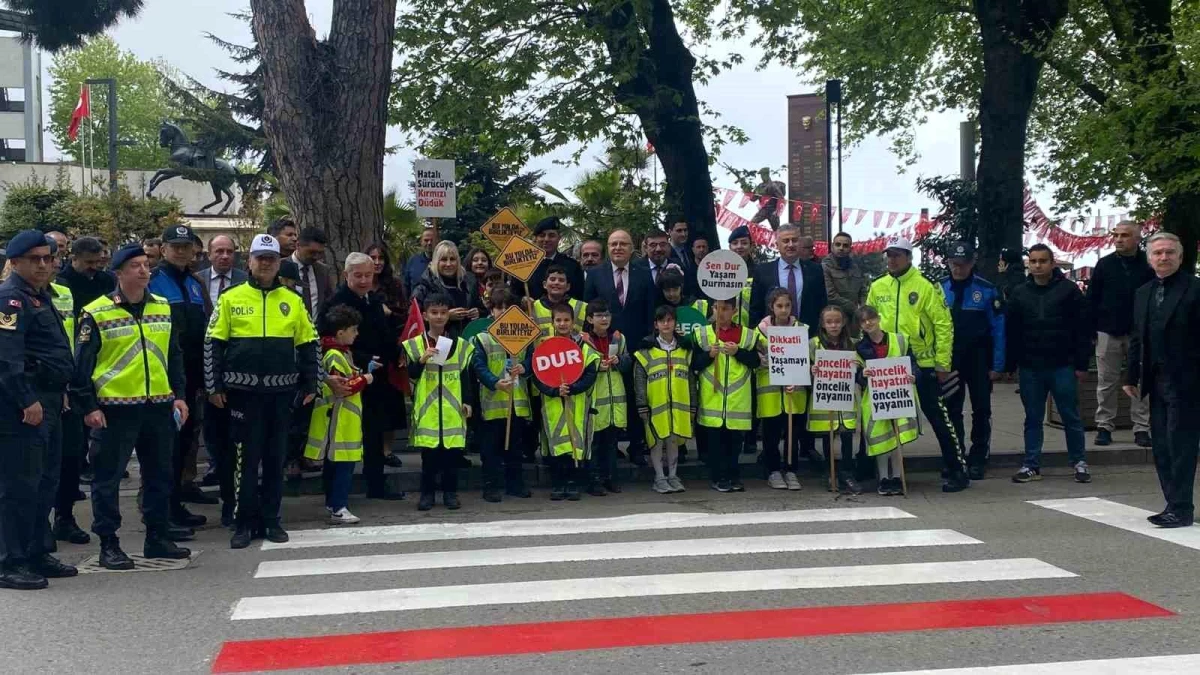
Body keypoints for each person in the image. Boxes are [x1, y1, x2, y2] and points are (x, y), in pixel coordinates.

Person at [72, 243, 192, 570]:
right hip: (114, 408)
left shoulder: (162, 307)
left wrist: (178, 394)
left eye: (146, 264)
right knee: (107, 479)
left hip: (157, 405)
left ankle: (157, 537)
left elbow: (174, 355)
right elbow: (82, 365)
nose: (144, 270)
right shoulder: (96, 311)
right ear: (119, 272)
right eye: (136, 266)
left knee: (159, 475)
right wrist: (88, 406)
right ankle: (109, 544)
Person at [205, 233, 319, 549]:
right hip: (241, 395)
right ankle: (243, 522)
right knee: (243, 460)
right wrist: (214, 386)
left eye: (271, 258)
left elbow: (310, 345)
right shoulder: (230, 298)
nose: (266, 263)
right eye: (260, 258)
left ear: (278, 262)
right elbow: (212, 344)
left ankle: (271, 520)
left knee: (274, 459)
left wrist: (312, 383)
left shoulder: (293, 301)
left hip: (281, 395)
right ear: (250, 261)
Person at [0, 231, 76, 589]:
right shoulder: (10, 300)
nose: (44, 264)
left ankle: (35, 551)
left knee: (46, 480)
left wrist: (56, 392)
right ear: (15, 262)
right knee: (19, 484)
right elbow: (7, 360)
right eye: (34, 259)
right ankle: (9, 560)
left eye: (47, 257)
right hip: (21, 405)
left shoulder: (40, 297)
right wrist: (26, 399)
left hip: (47, 398)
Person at [867, 237, 968, 492]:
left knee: (938, 417)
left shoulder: (926, 287)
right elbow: (866, 322)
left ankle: (957, 470)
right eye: (889, 255)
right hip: (888, 363)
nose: (892, 260)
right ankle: (875, 470)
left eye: (897, 255)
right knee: (881, 416)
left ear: (909, 257)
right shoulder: (877, 287)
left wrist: (942, 364)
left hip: (922, 363)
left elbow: (944, 326)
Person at [1125, 232, 1200, 528]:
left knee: (1181, 443)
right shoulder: (1142, 292)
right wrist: (1131, 374)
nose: (1164, 257)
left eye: (1170, 252)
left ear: (1180, 257)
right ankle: (1172, 501)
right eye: (1158, 253)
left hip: (1188, 380)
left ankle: (1181, 507)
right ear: (1150, 258)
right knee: (1162, 445)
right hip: (1154, 379)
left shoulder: (1195, 290)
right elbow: (1137, 338)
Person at [319, 253, 406, 501]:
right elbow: (328, 340)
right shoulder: (335, 302)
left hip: (377, 377)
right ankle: (333, 490)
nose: (364, 280)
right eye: (358, 275)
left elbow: (385, 332)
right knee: (339, 436)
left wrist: (397, 352)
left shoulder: (375, 300)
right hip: (347, 377)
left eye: (368, 275)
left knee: (375, 432)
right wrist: (362, 358)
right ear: (346, 275)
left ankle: (376, 483)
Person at [1006, 244, 1091, 485]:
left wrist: (1081, 364)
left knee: (1070, 415)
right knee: (1032, 417)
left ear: (1052, 263)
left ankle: (1079, 462)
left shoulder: (1069, 291)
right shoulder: (1019, 293)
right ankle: (1031, 464)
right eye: (1033, 261)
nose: (1038, 265)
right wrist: (1010, 364)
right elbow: (1012, 331)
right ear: (1028, 264)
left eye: (1043, 261)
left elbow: (1082, 330)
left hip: (1062, 364)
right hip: (1030, 366)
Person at [148, 225, 213, 526]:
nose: (182, 251)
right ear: (163, 249)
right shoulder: (152, 281)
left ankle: (174, 504)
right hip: (162, 376)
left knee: (184, 443)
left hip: (191, 375)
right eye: (175, 246)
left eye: (186, 246)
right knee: (163, 449)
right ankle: (160, 513)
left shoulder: (196, 282)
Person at [584, 229, 655, 466]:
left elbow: (649, 311)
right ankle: (610, 449)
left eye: (623, 243)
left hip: (635, 348)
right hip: (602, 349)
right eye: (613, 244)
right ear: (608, 247)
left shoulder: (644, 274)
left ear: (632, 247)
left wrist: (646, 342)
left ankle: (637, 447)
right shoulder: (595, 274)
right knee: (608, 399)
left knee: (635, 398)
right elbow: (588, 311)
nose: (618, 248)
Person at [403, 293, 475, 511]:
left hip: (453, 410)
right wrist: (422, 359)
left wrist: (468, 401)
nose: (439, 317)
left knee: (451, 459)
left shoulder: (460, 344)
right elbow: (411, 376)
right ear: (425, 315)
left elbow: (466, 375)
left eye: (443, 313)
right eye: (434, 313)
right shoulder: (415, 345)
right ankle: (427, 494)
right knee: (429, 460)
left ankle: (450, 494)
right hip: (429, 411)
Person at [940, 242, 1005, 480]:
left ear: (972, 263)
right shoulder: (939, 289)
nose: (958, 269)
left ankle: (978, 459)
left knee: (981, 409)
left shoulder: (986, 290)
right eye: (954, 264)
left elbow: (999, 329)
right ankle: (955, 459)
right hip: (950, 360)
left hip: (979, 359)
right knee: (952, 410)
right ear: (948, 262)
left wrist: (998, 365)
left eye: (963, 264)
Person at [1089, 221, 1154, 448]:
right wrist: (1092, 331)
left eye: (1124, 235)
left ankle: (1141, 428)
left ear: (1137, 238)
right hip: (1108, 330)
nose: (1118, 239)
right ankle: (1104, 426)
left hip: (1140, 332)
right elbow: (1092, 298)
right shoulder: (1104, 264)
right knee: (1106, 381)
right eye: (1115, 235)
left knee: (1141, 380)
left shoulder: (1148, 265)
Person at [305, 305, 372, 525]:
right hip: (339, 421)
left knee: (336, 466)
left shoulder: (339, 353)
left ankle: (333, 504)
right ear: (340, 332)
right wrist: (366, 378)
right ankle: (338, 507)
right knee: (342, 468)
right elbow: (344, 387)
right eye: (353, 330)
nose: (357, 334)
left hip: (342, 420)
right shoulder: (334, 355)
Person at [527, 303, 600, 501]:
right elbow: (537, 376)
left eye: (566, 320)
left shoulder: (584, 347)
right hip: (552, 407)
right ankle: (558, 484)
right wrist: (553, 390)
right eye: (558, 320)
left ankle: (573, 484)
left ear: (573, 322)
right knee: (556, 447)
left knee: (576, 446)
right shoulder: (544, 347)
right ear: (552, 322)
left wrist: (573, 388)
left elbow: (590, 373)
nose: (562, 324)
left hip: (577, 406)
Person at [46, 237, 91, 546]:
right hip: (39, 391)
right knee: (39, 463)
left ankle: (64, 517)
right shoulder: (11, 297)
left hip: (68, 388)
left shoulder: (64, 293)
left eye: (53, 258)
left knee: (70, 457)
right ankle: (38, 526)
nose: (52, 263)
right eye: (46, 258)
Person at [470, 288, 532, 502]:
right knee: (490, 449)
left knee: (515, 447)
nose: (504, 312)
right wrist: (495, 382)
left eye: (508, 308)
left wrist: (524, 368)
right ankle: (491, 486)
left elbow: (532, 360)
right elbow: (478, 366)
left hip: (516, 402)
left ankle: (515, 484)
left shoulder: (524, 335)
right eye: (499, 308)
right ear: (491, 310)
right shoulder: (482, 338)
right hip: (492, 402)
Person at [692, 296, 759, 493]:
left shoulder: (747, 335)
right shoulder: (701, 334)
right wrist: (708, 356)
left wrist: (739, 352)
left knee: (734, 442)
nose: (720, 313)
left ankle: (733, 475)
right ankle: (718, 477)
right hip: (712, 398)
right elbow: (694, 364)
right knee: (715, 442)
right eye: (717, 308)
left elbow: (755, 362)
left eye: (726, 309)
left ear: (734, 311)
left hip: (737, 399)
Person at [856, 305, 919, 496]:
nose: (868, 323)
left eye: (871, 318)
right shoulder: (859, 347)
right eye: (863, 320)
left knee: (897, 438)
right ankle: (884, 478)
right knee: (881, 440)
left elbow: (913, 364)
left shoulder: (899, 340)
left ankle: (898, 478)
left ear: (878, 318)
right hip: (875, 399)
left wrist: (914, 375)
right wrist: (862, 374)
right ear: (860, 325)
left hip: (899, 395)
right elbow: (856, 376)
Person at [634, 305, 694, 494]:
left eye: (669, 320)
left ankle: (673, 475)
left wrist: (693, 405)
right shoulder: (646, 350)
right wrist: (642, 404)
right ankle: (659, 477)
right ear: (656, 324)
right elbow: (639, 380)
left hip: (679, 406)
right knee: (656, 441)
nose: (666, 324)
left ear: (675, 323)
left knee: (674, 440)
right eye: (662, 321)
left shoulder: (685, 349)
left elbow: (692, 380)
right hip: (655, 406)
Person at [755, 288, 809, 491]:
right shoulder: (759, 331)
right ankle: (773, 470)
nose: (784, 310)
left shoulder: (801, 328)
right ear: (772, 307)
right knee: (771, 434)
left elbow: (806, 358)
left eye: (787, 305)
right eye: (779, 306)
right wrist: (762, 360)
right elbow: (755, 357)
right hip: (769, 391)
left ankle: (791, 469)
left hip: (794, 391)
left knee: (792, 434)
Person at [364, 243, 409, 469]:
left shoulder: (395, 285)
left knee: (391, 403)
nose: (377, 261)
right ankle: (368, 449)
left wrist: (389, 312)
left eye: (381, 257)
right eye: (372, 257)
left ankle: (387, 450)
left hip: (391, 349)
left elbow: (405, 315)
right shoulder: (359, 283)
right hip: (366, 351)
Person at [808, 305, 862, 494]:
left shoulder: (853, 343)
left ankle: (847, 472)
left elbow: (862, 374)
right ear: (822, 324)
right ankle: (830, 471)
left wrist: (858, 368)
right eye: (829, 322)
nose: (833, 325)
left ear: (844, 322)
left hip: (846, 398)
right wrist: (811, 371)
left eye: (837, 321)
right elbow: (802, 367)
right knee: (827, 434)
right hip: (824, 398)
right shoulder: (813, 344)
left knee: (847, 435)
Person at [582, 298, 629, 496]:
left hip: (614, 399)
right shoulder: (582, 340)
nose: (604, 319)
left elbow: (628, 364)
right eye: (599, 315)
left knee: (611, 443)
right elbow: (577, 369)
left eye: (607, 315)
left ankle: (610, 478)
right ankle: (593, 481)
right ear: (590, 319)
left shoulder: (619, 338)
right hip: (593, 399)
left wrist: (619, 361)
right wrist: (595, 368)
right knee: (593, 443)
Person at [750, 223, 827, 330]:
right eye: (786, 241)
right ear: (777, 245)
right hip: (772, 337)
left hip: (808, 335)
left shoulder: (815, 270)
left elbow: (822, 305)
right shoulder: (763, 271)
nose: (790, 245)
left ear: (799, 243)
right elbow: (755, 309)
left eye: (794, 240)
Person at [412, 241, 483, 338]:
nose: (448, 264)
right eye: (444, 260)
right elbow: (415, 320)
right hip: (438, 343)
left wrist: (478, 312)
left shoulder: (470, 282)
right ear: (436, 261)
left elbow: (482, 307)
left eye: (452, 259)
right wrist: (445, 316)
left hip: (467, 340)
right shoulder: (424, 285)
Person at [521, 217, 585, 301]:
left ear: (559, 238)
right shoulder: (523, 265)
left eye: (551, 235)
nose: (546, 239)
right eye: (542, 235)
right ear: (535, 239)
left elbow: (579, 296)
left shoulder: (572, 266)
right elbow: (514, 294)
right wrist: (522, 300)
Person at [822, 232, 868, 335]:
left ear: (850, 249)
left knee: (853, 347)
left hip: (853, 321)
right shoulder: (825, 266)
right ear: (832, 246)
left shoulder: (856, 267)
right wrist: (856, 309)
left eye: (845, 246)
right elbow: (831, 296)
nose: (841, 248)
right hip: (833, 320)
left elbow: (863, 291)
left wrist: (863, 307)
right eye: (838, 244)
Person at [286, 227, 336, 321]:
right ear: (298, 245)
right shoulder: (280, 268)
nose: (316, 257)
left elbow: (329, 302)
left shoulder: (323, 271)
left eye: (320, 253)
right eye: (311, 252)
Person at [195, 235, 247, 315]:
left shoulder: (245, 280)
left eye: (229, 252)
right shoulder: (197, 279)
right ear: (209, 255)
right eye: (220, 251)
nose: (225, 256)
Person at [531, 265, 586, 340]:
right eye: (552, 279)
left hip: (572, 350)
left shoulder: (582, 307)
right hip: (540, 351)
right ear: (544, 284)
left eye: (561, 280)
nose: (556, 282)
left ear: (568, 286)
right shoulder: (531, 307)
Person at [403, 226, 436, 295]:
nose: (429, 243)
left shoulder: (445, 263)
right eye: (426, 240)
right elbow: (406, 286)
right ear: (421, 242)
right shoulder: (413, 261)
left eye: (432, 240)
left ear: (438, 241)